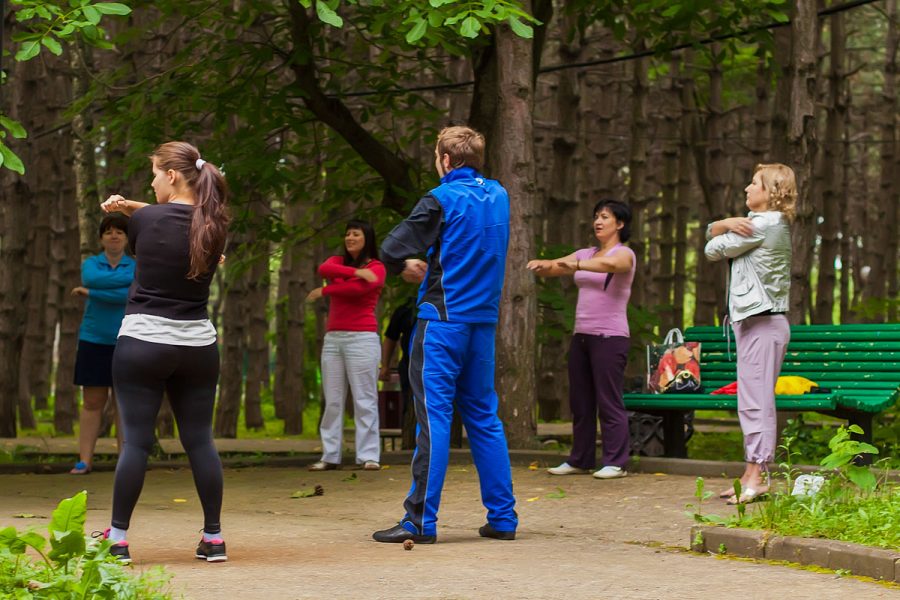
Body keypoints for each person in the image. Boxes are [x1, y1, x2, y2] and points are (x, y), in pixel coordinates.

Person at [373, 125, 518, 544]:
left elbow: (390, 247)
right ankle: (503, 519)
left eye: (438, 156)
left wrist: (406, 266)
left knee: (433, 420)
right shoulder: (500, 195)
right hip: (483, 325)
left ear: (446, 161)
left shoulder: (441, 198)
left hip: (441, 322)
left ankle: (419, 520)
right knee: (484, 418)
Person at [95, 141, 230, 563]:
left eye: (155, 173)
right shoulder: (215, 225)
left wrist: (126, 207)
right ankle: (214, 537)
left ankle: (117, 538)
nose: (151, 182)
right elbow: (176, 216)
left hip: (143, 342)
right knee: (199, 440)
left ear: (172, 176)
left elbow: (154, 220)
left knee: (135, 443)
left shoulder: (147, 220)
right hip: (197, 346)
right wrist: (133, 204)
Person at [704, 163, 795, 504]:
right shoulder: (761, 223)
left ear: (771, 191)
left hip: (764, 321)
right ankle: (750, 474)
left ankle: (758, 476)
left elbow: (712, 249)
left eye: (754, 183)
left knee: (756, 402)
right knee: (751, 401)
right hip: (755, 321)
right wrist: (724, 224)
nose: (746, 188)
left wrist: (720, 228)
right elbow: (716, 238)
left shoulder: (765, 223)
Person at [527, 200, 635, 480]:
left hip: (610, 337)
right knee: (581, 402)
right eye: (596, 216)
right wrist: (543, 265)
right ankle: (581, 459)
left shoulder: (625, 254)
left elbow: (611, 264)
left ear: (620, 224)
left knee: (608, 400)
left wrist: (574, 264)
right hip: (582, 336)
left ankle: (616, 462)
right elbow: (557, 266)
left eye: (605, 217)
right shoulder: (587, 253)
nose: (598, 221)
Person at [306, 220, 386, 472]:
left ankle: (369, 456)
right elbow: (323, 268)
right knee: (332, 400)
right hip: (333, 339)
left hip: (362, 338)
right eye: (347, 234)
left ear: (367, 238)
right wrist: (356, 273)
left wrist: (328, 290)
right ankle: (330, 455)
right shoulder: (337, 262)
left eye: (356, 234)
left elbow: (358, 291)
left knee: (365, 399)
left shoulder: (377, 267)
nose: (350, 238)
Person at [70, 215, 135, 475]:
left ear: (127, 238)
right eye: (108, 232)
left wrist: (93, 294)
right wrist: (103, 288)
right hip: (93, 340)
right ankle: (85, 460)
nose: (114, 236)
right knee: (93, 402)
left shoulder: (136, 266)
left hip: (127, 339)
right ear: (100, 238)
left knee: (124, 403)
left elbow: (131, 293)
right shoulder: (91, 264)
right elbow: (92, 279)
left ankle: (126, 461)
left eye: (120, 231)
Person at [379, 295, 419, 450]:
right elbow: (390, 337)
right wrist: (385, 365)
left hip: (440, 363)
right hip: (409, 364)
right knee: (409, 405)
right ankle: (409, 442)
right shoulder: (406, 307)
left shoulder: (446, 299)